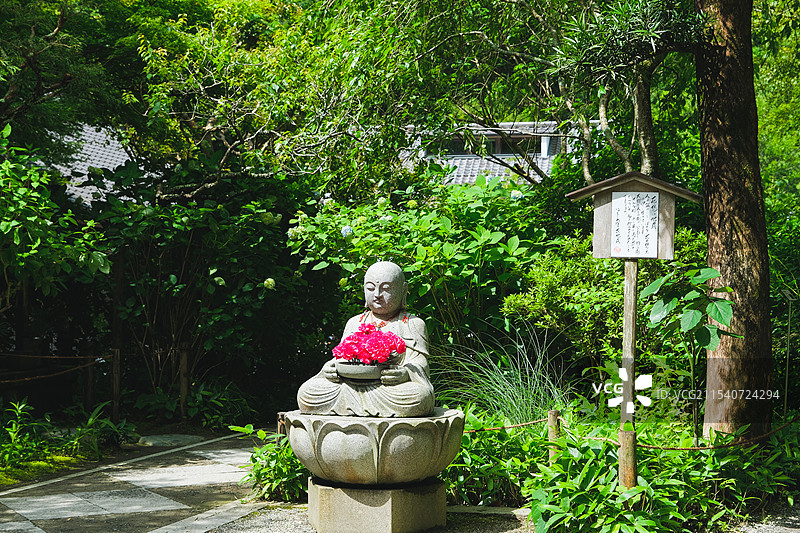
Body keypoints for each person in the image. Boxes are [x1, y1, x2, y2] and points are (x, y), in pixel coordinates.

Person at [296, 261, 435, 417]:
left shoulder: (412, 323)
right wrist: (329, 369)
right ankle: (360, 405)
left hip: (390, 388)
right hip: (349, 385)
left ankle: (352, 407)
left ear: (403, 290)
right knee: (306, 393)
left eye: (386, 289)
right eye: (370, 288)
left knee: (419, 397)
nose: (377, 294)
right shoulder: (355, 322)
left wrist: (405, 373)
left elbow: (420, 363)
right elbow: (340, 358)